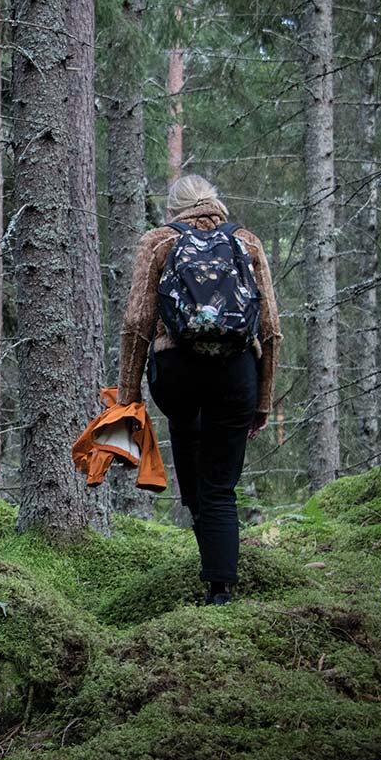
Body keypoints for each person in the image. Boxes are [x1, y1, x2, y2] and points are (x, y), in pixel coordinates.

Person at [116, 174, 281, 605]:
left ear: (175, 209)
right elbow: (271, 330)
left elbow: (137, 323)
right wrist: (262, 400)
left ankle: (198, 519)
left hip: (176, 372)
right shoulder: (246, 242)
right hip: (237, 373)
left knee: (187, 432)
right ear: (216, 203)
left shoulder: (158, 241)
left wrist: (127, 398)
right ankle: (220, 591)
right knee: (221, 486)